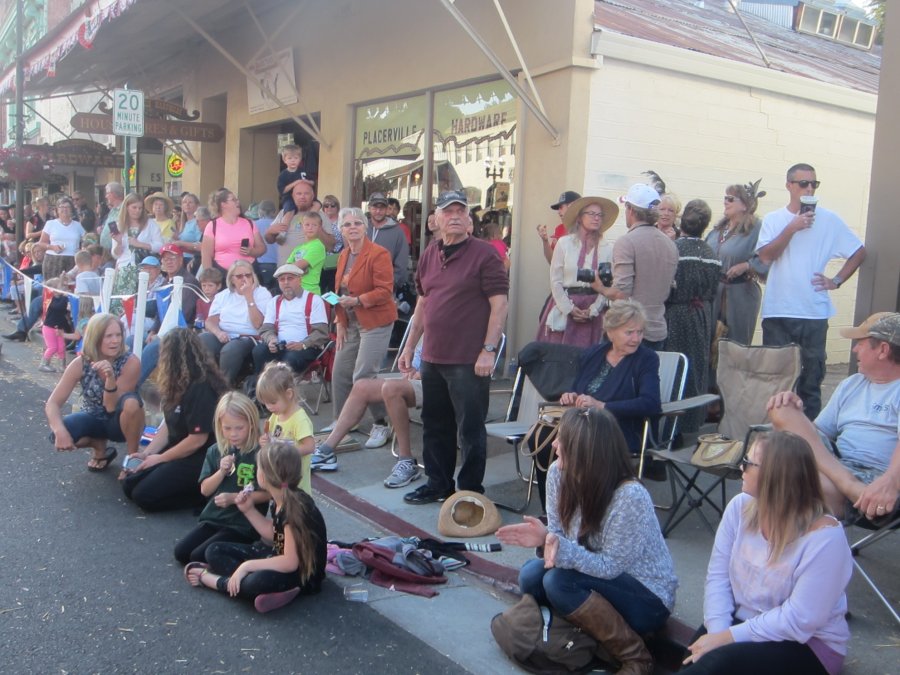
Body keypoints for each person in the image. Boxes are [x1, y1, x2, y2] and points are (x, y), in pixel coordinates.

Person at [497, 408, 676, 675]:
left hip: (646, 595)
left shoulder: (629, 497)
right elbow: (559, 535)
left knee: (558, 583)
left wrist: (555, 546)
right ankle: (579, 637)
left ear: (585, 452)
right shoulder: (558, 473)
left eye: (562, 439)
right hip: (592, 575)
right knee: (530, 576)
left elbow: (610, 567)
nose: (554, 444)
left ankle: (636, 657)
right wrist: (546, 539)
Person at [680, 431, 852, 675]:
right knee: (694, 658)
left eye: (748, 462)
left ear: (775, 476)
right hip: (743, 623)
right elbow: (718, 577)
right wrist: (718, 632)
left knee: (717, 664)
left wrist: (727, 638)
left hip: (806, 643)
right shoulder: (740, 507)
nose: (741, 467)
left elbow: (799, 619)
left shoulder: (825, 538)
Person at [398, 190, 508, 504]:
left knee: (470, 430)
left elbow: (499, 305)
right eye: (449, 211)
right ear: (436, 219)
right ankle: (439, 485)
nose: (455, 216)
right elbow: (423, 303)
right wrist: (410, 347)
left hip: (469, 360)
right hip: (433, 356)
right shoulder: (429, 254)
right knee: (435, 425)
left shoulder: (485, 254)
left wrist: (489, 350)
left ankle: (470, 492)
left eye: (461, 211)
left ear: (470, 220)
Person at [756, 163, 866, 419]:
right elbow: (766, 256)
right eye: (803, 183)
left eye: (813, 184)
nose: (808, 189)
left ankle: (810, 436)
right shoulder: (774, 219)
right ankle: (776, 436)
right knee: (777, 379)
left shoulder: (829, 220)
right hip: (778, 311)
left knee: (811, 379)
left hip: (813, 312)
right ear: (789, 186)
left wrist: (836, 280)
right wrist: (792, 227)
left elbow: (859, 252)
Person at [767, 312, 900, 523]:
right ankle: (847, 483)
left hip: (875, 479)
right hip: (838, 466)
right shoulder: (852, 384)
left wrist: (890, 481)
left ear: (883, 350)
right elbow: (818, 434)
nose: (855, 349)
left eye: (860, 343)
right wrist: (796, 414)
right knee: (782, 408)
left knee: (786, 480)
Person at [532, 299, 661, 510]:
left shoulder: (646, 359)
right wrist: (571, 396)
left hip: (619, 428)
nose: (636, 339)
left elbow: (651, 403)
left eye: (640, 332)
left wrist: (603, 406)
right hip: (584, 423)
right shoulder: (593, 354)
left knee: (577, 443)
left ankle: (583, 508)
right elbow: (578, 388)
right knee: (541, 437)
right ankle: (554, 508)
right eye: (629, 332)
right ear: (610, 332)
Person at [184, 439, 328, 614]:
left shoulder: (293, 508)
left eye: (258, 468)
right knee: (214, 550)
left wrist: (247, 566)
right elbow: (275, 536)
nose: (256, 471)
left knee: (253, 583)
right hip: (278, 557)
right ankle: (259, 588)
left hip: (302, 575)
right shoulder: (281, 496)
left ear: (264, 477)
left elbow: (290, 563)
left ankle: (212, 580)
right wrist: (248, 510)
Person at [309, 207, 398, 471]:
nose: (352, 228)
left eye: (357, 223)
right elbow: (339, 291)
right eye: (347, 224)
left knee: (364, 376)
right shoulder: (344, 254)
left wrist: (358, 300)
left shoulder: (378, 253)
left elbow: (385, 291)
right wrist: (341, 321)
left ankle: (382, 424)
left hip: (376, 320)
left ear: (365, 227)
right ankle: (344, 421)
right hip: (350, 320)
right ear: (341, 230)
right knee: (340, 371)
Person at [122, 328, 228, 511]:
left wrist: (161, 458)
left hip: (200, 455)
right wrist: (147, 454)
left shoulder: (200, 387)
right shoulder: (177, 383)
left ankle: (201, 496)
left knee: (143, 496)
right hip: (180, 447)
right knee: (129, 483)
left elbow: (197, 440)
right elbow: (168, 425)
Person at [312, 337, 425, 487]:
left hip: (438, 381)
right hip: (416, 377)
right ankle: (326, 451)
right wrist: (410, 365)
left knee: (391, 389)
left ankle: (407, 461)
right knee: (361, 386)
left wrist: (423, 372)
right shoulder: (427, 326)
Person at [174, 392, 268, 565]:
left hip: (243, 524)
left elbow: (267, 494)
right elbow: (205, 490)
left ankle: (249, 554)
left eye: (239, 428)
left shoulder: (259, 453)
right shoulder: (215, 451)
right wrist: (221, 472)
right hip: (214, 517)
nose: (233, 434)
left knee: (199, 556)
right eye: (227, 428)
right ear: (219, 426)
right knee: (181, 553)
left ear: (252, 424)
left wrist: (233, 498)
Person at [44, 313, 145, 471]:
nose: (115, 340)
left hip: (120, 422)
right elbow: (52, 403)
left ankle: (132, 460)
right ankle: (98, 445)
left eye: (118, 335)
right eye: (108, 336)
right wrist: (60, 431)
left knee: (131, 403)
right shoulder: (81, 362)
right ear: (95, 338)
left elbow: (111, 407)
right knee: (58, 434)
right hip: (93, 417)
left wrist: (110, 378)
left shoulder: (131, 361)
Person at [594, 183, 677, 350]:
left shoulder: (626, 242)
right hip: (657, 330)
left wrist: (600, 287)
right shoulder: (670, 244)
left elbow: (621, 293)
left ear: (631, 210)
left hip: (629, 332)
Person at [663, 200, 721, 433]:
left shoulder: (673, 249)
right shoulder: (711, 253)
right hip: (701, 315)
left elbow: (667, 288)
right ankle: (693, 423)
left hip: (675, 314)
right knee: (696, 367)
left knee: (675, 366)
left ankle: (672, 425)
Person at [537, 195, 617, 347]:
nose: (596, 218)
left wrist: (593, 310)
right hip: (566, 305)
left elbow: (607, 285)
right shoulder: (564, 244)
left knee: (590, 355)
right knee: (560, 355)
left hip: (593, 308)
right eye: (591, 214)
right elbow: (555, 280)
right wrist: (569, 308)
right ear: (580, 217)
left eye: (599, 215)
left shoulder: (607, 248)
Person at [705, 181, 768, 347]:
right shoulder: (719, 229)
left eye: (731, 199)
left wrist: (747, 265)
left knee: (735, 345)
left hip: (740, 296)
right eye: (725, 198)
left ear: (745, 205)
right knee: (710, 343)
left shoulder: (756, 229)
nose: (725, 201)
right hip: (714, 294)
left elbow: (768, 256)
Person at [136, 243, 201, 385]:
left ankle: (132, 384)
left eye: (172, 258)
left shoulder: (189, 282)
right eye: (165, 259)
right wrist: (153, 330)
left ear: (181, 260)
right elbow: (160, 312)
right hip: (164, 332)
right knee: (133, 339)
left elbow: (183, 314)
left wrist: (160, 334)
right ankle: (128, 381)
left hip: (181, 332)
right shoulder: (166, 281)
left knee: (155, 346)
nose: (169, 262)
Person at [199, 260, 272, 384]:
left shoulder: (262, 293)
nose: (244, 279)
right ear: (232, 279)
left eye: (248, 275)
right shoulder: (224, 295)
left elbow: (258, 324)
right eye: (239, 276)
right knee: (202, 339)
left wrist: (249, 296)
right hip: (224, 334)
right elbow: (210, 321)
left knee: (230, 349)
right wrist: (218, 333)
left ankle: (224, 386)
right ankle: (204, 381)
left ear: (253, 276)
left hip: (249, 337)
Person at [252, 263, 330, 375]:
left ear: (300, 280)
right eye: (282, 279)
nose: (286, 282)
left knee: (290, 358)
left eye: (290, 278)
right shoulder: (274, 301)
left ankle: (281, 385)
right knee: (259, 351)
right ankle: (260, 383)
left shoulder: (314, 300)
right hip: (280, 346)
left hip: (306, 348)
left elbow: (321, 332)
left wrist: (303, 344)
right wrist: (271, 340)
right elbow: (266, 329)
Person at [256, 362, 316, 496]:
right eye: (265, 403)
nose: (269, 407)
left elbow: (310, 446)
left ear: (288, 394)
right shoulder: (276, 416)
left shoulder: (299, 419)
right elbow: (272, 438)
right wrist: (265, 441)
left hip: (297, 484)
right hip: (279, 477)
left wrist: (285, 452)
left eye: (272, 402)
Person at [201, 188, 267, 274]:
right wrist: (209, 276)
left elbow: (262, 248)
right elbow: (206, 255)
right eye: (233, 200)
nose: (238, 202)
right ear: (223, 204)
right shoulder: (212, 226)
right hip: (223, 274)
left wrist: (252, 251)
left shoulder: (249, 223)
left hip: (249, 273)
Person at [366, 192, 409, 290]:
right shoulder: (362, 228)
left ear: (386, 209)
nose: (378, 211)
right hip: (361, 287)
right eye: (375, 207)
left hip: (385, 288)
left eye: (382, 208)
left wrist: (391, 284)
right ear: (369, 208)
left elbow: (402, 263)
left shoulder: (398, 232)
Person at [39, 196, 84, 281]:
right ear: (57, 210)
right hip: (53, 260)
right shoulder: (50, 224)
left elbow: (87, 240)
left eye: (67, 207)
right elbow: (41, 243)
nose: (64, 209)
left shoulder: (78, 225)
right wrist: (53, 247)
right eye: (62, 207)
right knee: (52, 287)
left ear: (71, 209)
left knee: (70, 286)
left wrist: (81, 250)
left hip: (72, 261)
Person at [285, 211, 327, 294]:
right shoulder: (298, 248)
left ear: (320, 227)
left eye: (314, 225)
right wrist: (299, 269)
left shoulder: (318, 246)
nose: (310, 228)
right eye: (307, 225)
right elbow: (287, 268)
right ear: (302, 226)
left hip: (310, 291)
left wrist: (297, 267)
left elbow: (297, 266)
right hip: (295, 291)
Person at [537, 190, 581, 264]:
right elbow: (552, 261)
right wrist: (545, 241)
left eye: (561, 207)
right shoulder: (559, 229)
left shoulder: (586, 229)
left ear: (572, 207)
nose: (558, 212)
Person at [38, 278, 71, 373]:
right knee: (53, 347)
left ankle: (62, 365)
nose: (63, 289)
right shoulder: (50, 299)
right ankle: (43, 364)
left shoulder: (60, 299)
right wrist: (65, 297)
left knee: (61, 346)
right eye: (61, 287)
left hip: (58, 328)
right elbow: (58, 307)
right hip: (49, 327)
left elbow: (62, 310)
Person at [277, 144, 316, 214]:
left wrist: (306, 181)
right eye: (290, 158)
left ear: (300, 159)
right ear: (284, 160)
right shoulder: (283, 175)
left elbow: (313, 182)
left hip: (305, 197)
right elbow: (283, 190)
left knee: (317, 204)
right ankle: (285, 221)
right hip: (289, 199)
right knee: (289, 211)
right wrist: (296, 183)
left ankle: (309, 217)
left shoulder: (304, 171)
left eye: (296, 158)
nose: (293, 161)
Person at [252, 199, 280, 290]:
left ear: (260, 211)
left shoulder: (254, 225)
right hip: (278, 264)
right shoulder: (279, 225)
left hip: (261, 264)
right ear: (274, 212)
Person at [170, 193, 203, 263]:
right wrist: (177, 237)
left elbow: (200, 244)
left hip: (191, 259)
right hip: (181, 257)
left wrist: (181, 243)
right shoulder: (185, 223)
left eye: (190, 202)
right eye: (184, 202)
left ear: (197, 206)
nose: (187, 204)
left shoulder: (197, 222)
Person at [99, 182, 125, 253]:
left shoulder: (124, 210)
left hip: (117, 251)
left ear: (114, 194)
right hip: (106, 252)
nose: (106, 196)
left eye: (107, 193)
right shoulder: (113, 210)